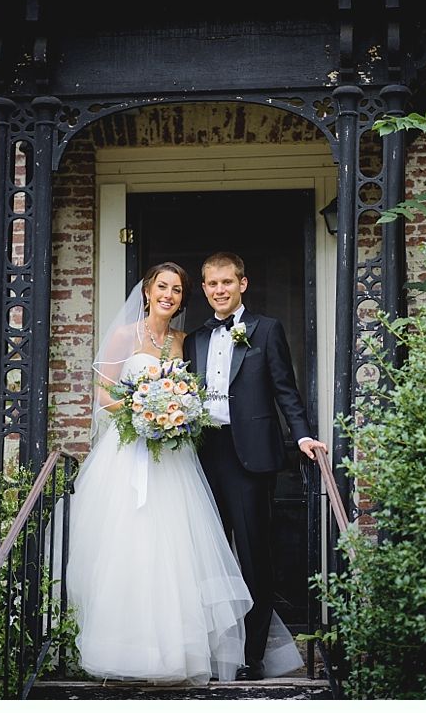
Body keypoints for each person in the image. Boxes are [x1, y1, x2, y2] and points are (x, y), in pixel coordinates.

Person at [66, 262, 252, 684]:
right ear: (148, 291)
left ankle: (178, 654)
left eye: (177, 290)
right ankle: (129, 650)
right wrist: (142, 412)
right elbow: (102, 392)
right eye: (162, 287)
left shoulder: (185, 342)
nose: (169, 295)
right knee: (131, 547)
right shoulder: (123, 336)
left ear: (183, 298)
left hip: (173, 459)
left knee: (176, 550)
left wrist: (172, 418)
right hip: (129, 454)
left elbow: (194, 394)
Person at [184, 251, 327, 681]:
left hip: (250, 458)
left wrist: (301, 434)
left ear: (242, 284)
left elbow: (286, 388)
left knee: (252, 557)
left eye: (227, 282)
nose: (220, 290)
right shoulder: (194, 339)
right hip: (202, 454)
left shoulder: (266, 329)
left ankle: (251, 655)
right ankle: (210, 651)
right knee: (204, 556)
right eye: (212, 284)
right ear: (205, 288)